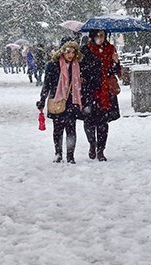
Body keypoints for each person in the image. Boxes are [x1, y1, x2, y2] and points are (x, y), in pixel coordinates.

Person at [36, 40, 84, 164]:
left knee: (71, 129)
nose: (70, 55)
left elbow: (81, 83)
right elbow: (46, 84)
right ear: (62, 50)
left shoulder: (77, 65)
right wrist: (42, 99)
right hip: (57, 100)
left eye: (73, 52)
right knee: (58, 130)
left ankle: (70, 155)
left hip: (71, 101)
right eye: (68, 51)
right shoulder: (52, 65)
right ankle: (58, 153)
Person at [80, 29, 121, 161]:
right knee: (89, 121)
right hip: (90, 90)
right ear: (92, 36)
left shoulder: (110, 49)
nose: (100, 37)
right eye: (97, 35)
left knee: (103, 122)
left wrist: (116, 62)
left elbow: (116, 72)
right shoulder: (85, 50)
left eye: (102, 35)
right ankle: (92, 144)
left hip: (105, 91)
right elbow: (81, 69)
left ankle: (101, 150)